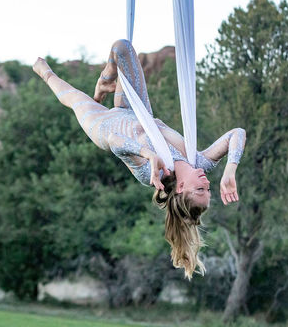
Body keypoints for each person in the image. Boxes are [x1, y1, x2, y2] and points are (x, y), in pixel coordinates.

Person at [33, 39, 245, 278]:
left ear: (182, 188)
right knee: (121, 47)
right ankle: (104, 81)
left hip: (103, 127)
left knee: (72, 98)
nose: (207, 183)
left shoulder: (153, 174)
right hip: (135, 110)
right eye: (208, 190)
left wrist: (147, 154)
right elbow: (237, 133)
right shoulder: (198, 161)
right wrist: (230, 169)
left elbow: (115, 142)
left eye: (200, 190)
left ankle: (43, 71)